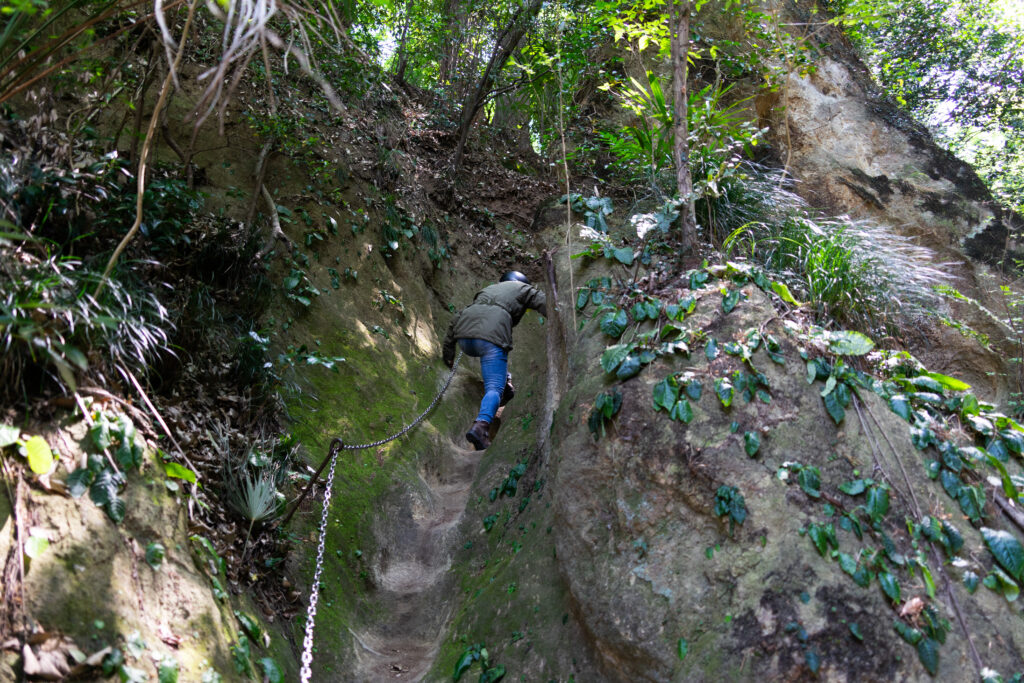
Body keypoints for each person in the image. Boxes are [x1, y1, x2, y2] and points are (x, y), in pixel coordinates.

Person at [442, 271, 547, 450]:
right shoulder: (523, 288)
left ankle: (505, 383)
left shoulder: (488, 290)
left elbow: (456, 319)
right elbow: (546, 302)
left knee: (495, 371)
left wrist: (449, 354)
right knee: (493, 388)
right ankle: (481, 427)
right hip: (491, 338)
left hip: (465, 339)